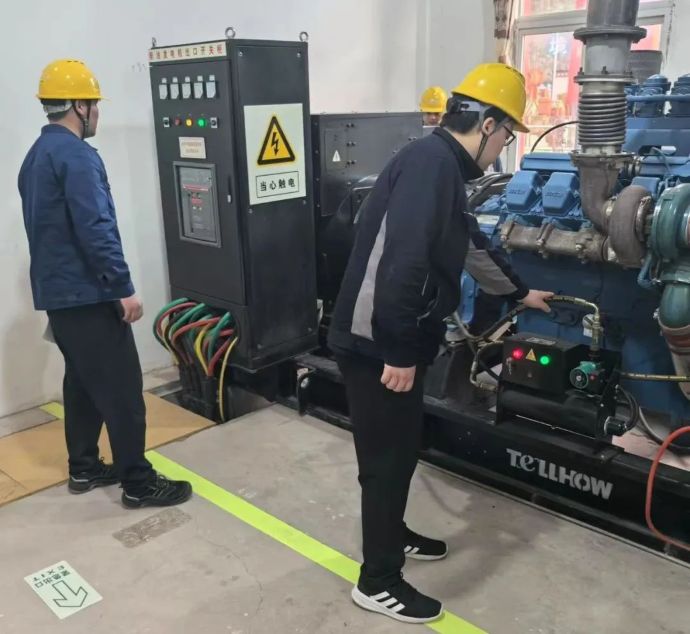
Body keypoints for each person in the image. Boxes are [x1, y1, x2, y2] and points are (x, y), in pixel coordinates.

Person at [328, 63, 554, 624]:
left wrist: (519, 292)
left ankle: (392, 533)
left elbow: (468, 242)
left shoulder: (441, 166)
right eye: (506, 134)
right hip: (376, 344)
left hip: (387, 338)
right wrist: (399, 351)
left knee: (400, 451)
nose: (502, 149)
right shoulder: (431, 164)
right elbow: (402, 262)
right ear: (487, 123)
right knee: (386, 460)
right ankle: (377, 581)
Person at [18, 59, 192, 509]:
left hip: (60, 296)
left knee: (82, 381)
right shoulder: (77, 156)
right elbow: (95, 227)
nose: (97, 113)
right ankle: (138, 482)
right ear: (79, 105)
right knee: (122, 389)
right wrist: (122, 287)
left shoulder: (36, 155)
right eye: (94, 105)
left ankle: (84, 467)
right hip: (90, 293)